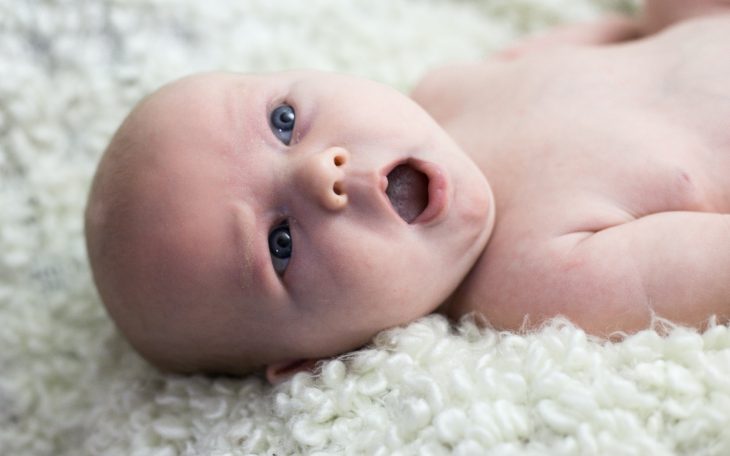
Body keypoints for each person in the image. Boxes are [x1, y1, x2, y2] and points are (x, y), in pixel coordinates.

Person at [85, 0, 730, 383]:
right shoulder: (537, 282)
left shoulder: (448, 85)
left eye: (283, 122)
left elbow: (615, 36)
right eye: (280, 245)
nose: (322, 174)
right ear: (313, 361)